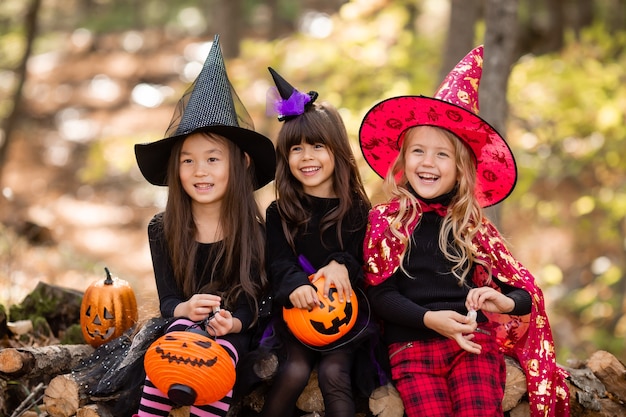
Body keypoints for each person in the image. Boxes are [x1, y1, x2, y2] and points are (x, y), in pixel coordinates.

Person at [358, 45, 570, 417]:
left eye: (442, 155)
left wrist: (503, 302)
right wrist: (429, 319)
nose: (427, 163)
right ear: (402, 160)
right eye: (418, 151)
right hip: (411, 346)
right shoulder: (386, 222)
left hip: (473, 344)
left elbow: (523, 293)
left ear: (461, 169)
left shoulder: (473, 227)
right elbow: (380, 295)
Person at [133, 35, 276, 417]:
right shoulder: (162, 229)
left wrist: (233, 323)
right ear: (175, 168)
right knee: (168, 355)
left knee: (210, 362)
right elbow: (166, 300)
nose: (200, 172)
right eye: (188, 161)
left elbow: (256, 302)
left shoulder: (257, 233)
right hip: (179, 329)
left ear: (241, 162)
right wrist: (185, 307)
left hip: (230, 338)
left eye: (213, 159)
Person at [258, 67, 373, 417]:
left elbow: (360, 257)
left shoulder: (357, 209)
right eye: (296, 149)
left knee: (333, 372)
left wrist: (340, 263)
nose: (306, 157)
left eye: (317, 146)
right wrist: (294, 285)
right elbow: (278, 262)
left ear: (336, 150)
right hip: (297, 315)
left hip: (345, 318)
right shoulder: (281, 212)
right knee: (292, 371)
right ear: (285, 159)